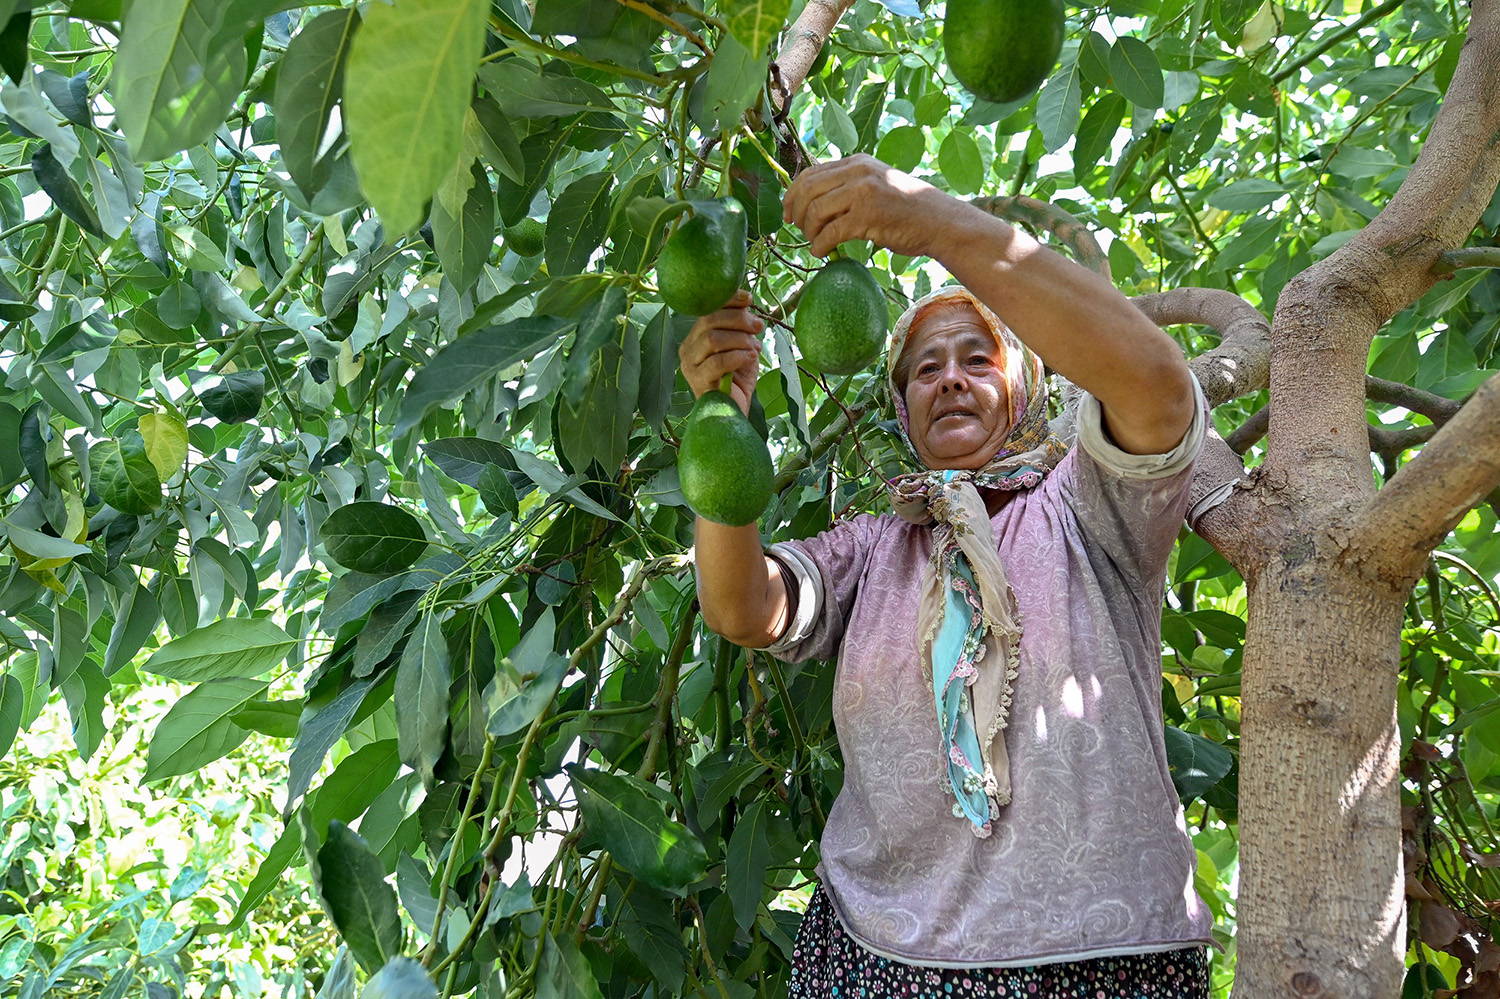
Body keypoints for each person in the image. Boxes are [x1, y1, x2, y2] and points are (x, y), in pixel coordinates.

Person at [680, 154, 1217, 997]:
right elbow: (742, 605)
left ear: (1026, 386)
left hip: (1100, 960)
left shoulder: (1088, 507)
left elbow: (1156, 388)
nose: (952, 378)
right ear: (904, 410)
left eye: (978, 358)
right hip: (876, 957)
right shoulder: (875, 548)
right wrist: (722, 414)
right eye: (926, 368)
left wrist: (931, 221)